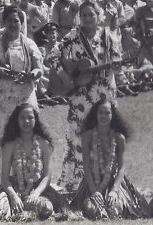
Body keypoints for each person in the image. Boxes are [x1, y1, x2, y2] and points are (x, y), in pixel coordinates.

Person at [48, 0, 119, 192]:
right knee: (78, 136)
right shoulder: (73, 35)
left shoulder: (108, 36)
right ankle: (75, 183)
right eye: (84, 14)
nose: (87, 18)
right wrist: (65, 75)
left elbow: (117, 60)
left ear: (99, 16)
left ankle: (104, 181)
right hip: (80, 97)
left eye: (91, 14)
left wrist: (117, 65)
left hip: (104, 95)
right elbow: (53, 55)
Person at [0, 5, 43, 190]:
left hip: (25, 98)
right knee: (3, 138)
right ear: (3, 23)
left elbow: (39, 67)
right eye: (10, 21)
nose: (14, 24)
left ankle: (30, 182)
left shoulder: (29, 44)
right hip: (2, 101)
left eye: (17, 21)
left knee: (28, 137)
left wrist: (35, 74)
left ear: (22, 23)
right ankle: (1, 185)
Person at [0, 103, 69, 221]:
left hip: (39, 189)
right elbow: (4, 179)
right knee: (0, 211)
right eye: (22, 117)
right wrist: (13, 197)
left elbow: (47, 177)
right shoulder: (9, 145)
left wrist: (36, 194)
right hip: (15, 187)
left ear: (35, 119)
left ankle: (29, 206)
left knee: (47, 208)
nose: (26, 121)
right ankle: (22, 205)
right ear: (16, 120)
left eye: (30, 117)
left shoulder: (44, 144)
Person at [70, 99, 151, 220]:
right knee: (90, 209)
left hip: (114, 182)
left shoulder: (119, 138)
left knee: (115, 209)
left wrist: (114, 190)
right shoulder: (87, 136)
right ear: (95, 114)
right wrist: (94, 191)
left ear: (112, 115)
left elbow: (122, 167)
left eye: (107, 112)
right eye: (100, 112)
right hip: (91, 182)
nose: (103, 116)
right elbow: (86, 166)